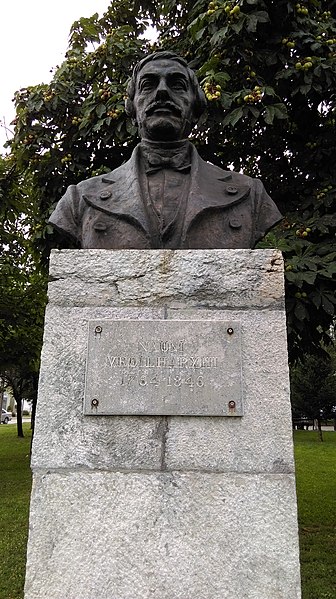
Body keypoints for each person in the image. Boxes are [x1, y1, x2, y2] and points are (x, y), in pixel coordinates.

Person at [49, 51, 282, 249]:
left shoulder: (251, 195)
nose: (162, 93)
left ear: (196, 105)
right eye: (148, 85)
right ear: (132, 105)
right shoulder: (80, 199)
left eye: (177, 85)